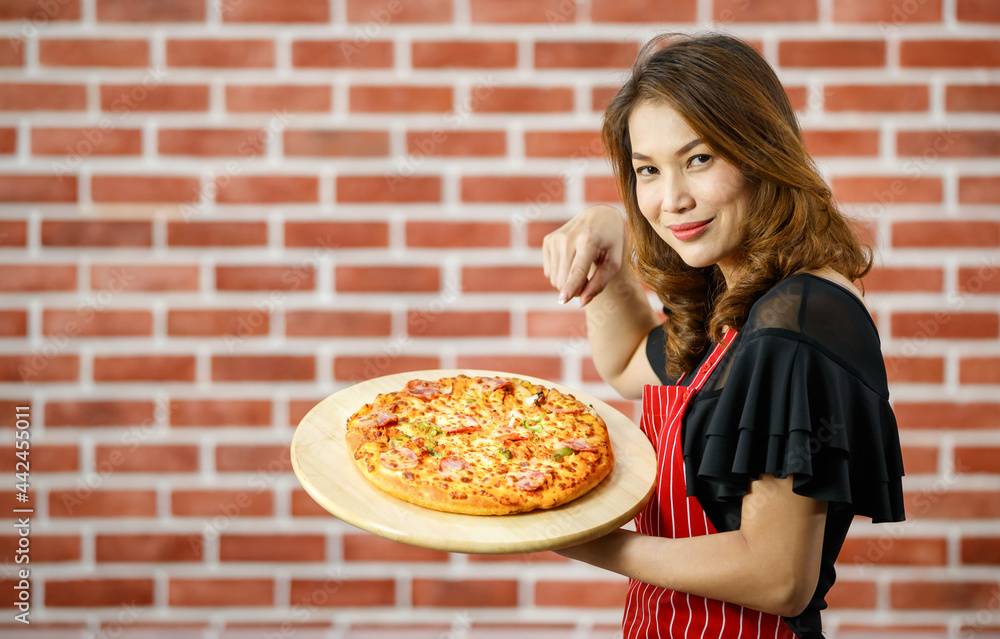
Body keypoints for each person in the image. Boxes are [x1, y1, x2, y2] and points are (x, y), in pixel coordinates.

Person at [541, 33, 905, 639]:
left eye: (700, 158)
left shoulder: (797, 317)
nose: (671, 200)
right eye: (647, 171)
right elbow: (628, 362)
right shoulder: (737, 298)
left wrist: (573, 535)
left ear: (761, 150)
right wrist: (610, 230)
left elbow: (778, 577)